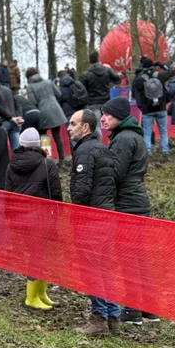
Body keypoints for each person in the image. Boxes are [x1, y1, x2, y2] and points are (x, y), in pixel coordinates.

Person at [101, 96, 157, 326]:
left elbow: (115, 173)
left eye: (107, 114)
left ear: (119, 116)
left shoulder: (123, 139)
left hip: (128, 204)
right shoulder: (133, 136)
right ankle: (148, 308)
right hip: (136, 201)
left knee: (128, 257)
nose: (103, 118)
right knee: (138, 256)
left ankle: (133, 310)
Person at [67, 109, 119, 336]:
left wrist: (76, 212)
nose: (69, 128)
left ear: (85, 127)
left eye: (73, 124)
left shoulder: (85, 150)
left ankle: (99, 317)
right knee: (106, 266)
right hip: (108, 215)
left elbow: (82, 190)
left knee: (91, 268)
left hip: (91, 218)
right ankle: (113, 315)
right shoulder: (103, 148)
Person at [5, 127, 63, 310]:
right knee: (39, 256)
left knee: (38, 255)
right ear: (38, 144)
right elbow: (56, 193)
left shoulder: (11, 164)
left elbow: (8, 194)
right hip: (41, 218)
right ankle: (31, 297)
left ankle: (40, 293)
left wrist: (11, 218)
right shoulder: (47, 164)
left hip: (21, 218)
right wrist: (58, 214)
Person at [133, 56, 174, 158]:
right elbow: (171, 71)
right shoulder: (160, 76)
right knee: (163, 131)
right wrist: (160, 65)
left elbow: (136, 94)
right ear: (153, 67)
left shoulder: (139, 80)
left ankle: (148, 152)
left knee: (146, 132)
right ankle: (165, 151)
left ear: (143, 68)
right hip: (161, 108)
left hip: (147, 110)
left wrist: (141, 106)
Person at [25, 67, 67, 162]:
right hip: (55, 110)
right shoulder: (48, 82)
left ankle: (46, 160)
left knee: (43, 137)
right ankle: (62, 160)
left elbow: (33, 101)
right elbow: (59, 94)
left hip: (42, 113)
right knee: (57, 136)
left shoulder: (30, 87)